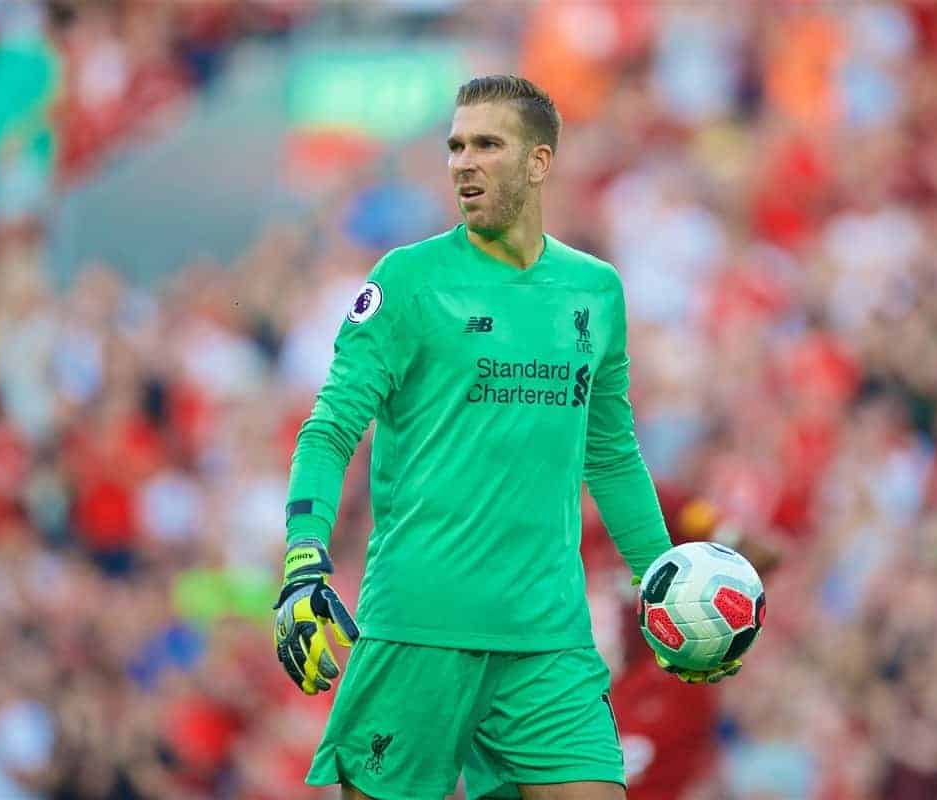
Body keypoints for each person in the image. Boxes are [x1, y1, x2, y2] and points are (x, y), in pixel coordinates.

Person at [272, 75, 741, 800]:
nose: (464, 162)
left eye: (487, 145)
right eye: (456, 146)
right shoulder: (408, 281)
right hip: (419, 630)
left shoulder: (595, 291)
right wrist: (304, 563)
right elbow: (329, 429)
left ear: (539, 161)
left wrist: (664, 594)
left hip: (546, 641)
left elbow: (612, 457)